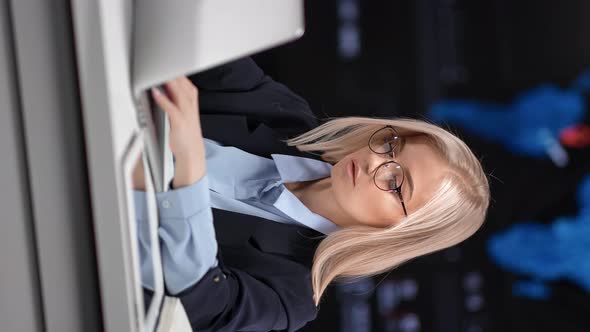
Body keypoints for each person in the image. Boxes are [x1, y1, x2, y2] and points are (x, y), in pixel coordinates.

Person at [132, 57, 490, 332]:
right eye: (389, 145)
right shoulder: (285, 117)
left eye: (397, 183)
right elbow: (198, 41)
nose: (374, 163)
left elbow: (200, 305)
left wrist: (191, 167)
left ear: (399, 233)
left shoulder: (295, 293)